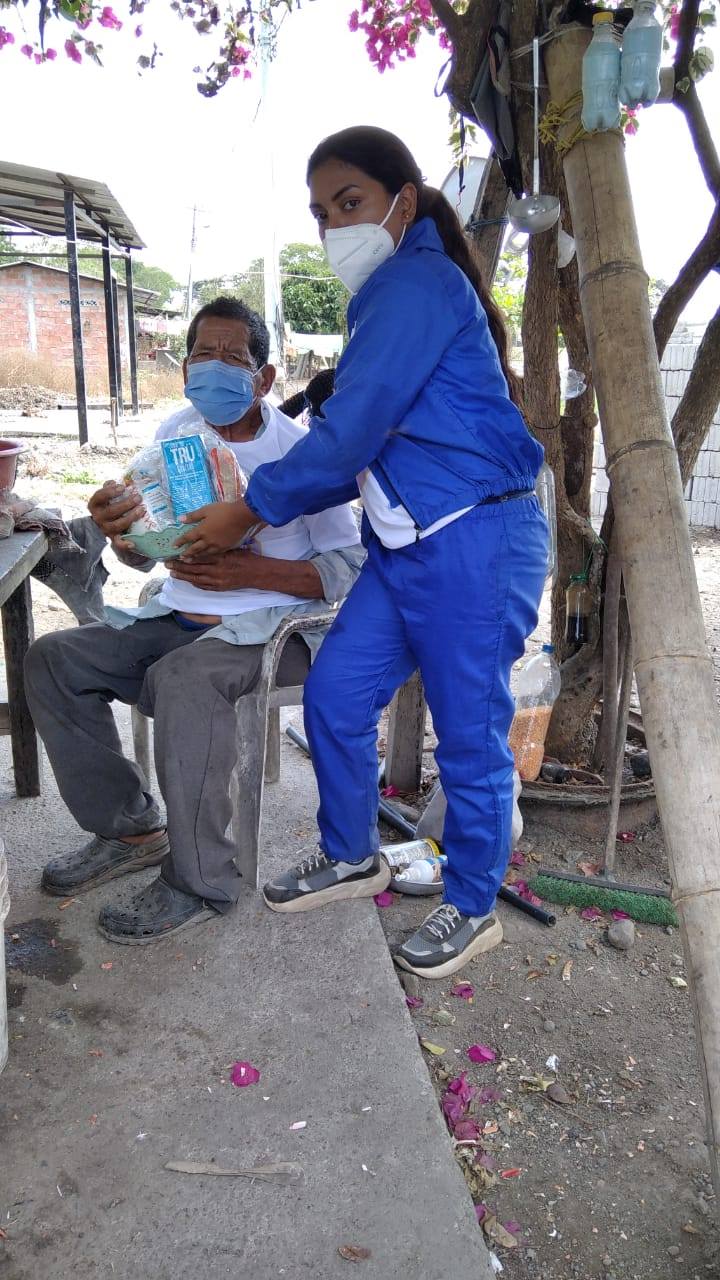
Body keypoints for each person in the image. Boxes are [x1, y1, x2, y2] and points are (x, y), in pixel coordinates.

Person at [175, 128, 548, 980]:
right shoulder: (388, 295)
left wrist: (250, 510)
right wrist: (257, 498)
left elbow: (350, 435)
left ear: (402, 203)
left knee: (469, 735)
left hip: (476, 542)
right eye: (320, 213)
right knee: (337, 696)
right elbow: (358, 442)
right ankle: (352, 854)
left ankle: (473, 904)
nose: (333, 226)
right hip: (407, 550)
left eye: (350, 203)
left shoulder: (414, 282)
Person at [24, 297, 364, 944]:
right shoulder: (177, 433)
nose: (213, 367)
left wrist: (250, 572)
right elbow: (147, 547)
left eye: (232, 358)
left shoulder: (301, 452)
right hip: (177, 614)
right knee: (55, 660)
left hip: (273, 628)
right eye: (203, 354)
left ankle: (201, 879)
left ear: (264, 378)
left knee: (184, 681)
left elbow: (348, 567)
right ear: (184, 369)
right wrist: (121, 533)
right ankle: (129, 830)